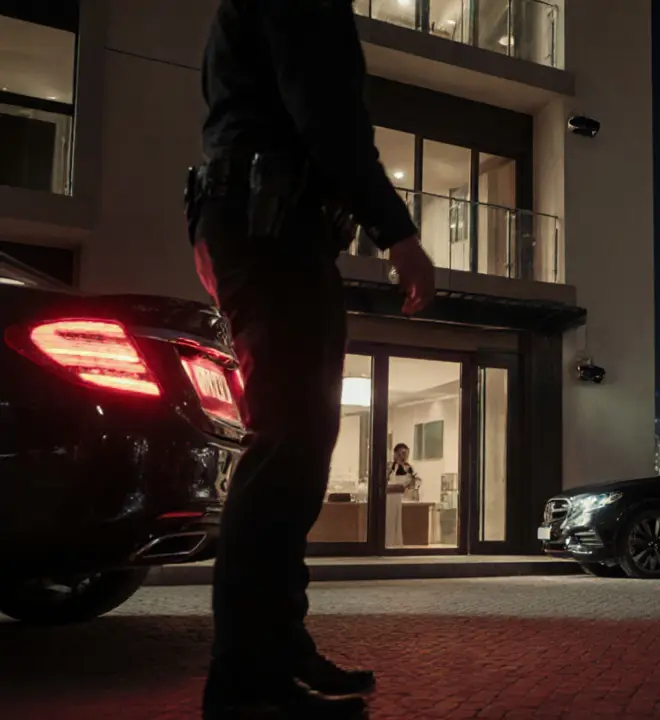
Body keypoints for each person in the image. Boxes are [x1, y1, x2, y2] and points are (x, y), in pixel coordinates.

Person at [188, 2, 436, 717]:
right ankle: (245, 683)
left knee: (295, 447)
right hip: (270, 227)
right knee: (287, 448)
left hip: (260, 222)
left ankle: (276, 650)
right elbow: (327, 113)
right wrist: (397, 233)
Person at [387, 443, 421, 547]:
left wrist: (413, 487)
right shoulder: (390, 467)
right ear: (395, 454)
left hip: (404, 498)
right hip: (390, 499)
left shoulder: (409, 468)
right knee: (390, 522)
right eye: (401, 453)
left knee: (400, 522)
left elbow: (415, 481)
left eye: (406, 454)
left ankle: (399, 544)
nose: (403, 456)